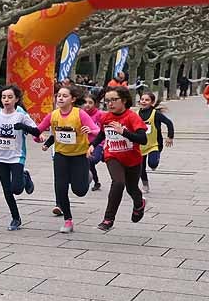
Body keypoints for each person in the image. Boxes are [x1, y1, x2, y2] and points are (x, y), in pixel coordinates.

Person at [32, 85, 100, 233]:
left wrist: (91, 130)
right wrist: (37, 137)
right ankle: (68, 220)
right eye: (59, 96)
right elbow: (38, 130)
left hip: (79, 156)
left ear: (73, 99)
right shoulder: (53, 115)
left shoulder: (80, 114)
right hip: (61, 156)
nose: (60, 98)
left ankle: (87, 177)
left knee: (80, 191)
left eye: (65, 96)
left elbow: (97, 130)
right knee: (60, 187)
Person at [0, 85, 37, 231]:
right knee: (7, 190)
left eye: (10, 97)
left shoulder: (21, 115)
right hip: (0, 157)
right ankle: (15, 218)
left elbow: (36, 130)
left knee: (17, 189)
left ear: (16, 99)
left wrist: (22, 126)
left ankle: (24, 176)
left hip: (17, 156)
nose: (6, 100)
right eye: (4, 97)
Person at [88, 86, 148, 231]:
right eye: (107, 101)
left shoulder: (132, 117)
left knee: (132, 188)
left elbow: (143, 139)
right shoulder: (106, 117)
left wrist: (124, 132)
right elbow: (103, 134)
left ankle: (139, 204)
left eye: (114, 100)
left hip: (133, 159)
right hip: (112, 156)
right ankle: (108, 218)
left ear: (124, 100)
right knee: (118, 183)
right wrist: (92, 145)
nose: (110, 104)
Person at [137, 92, 175, 194]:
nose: (144, 101)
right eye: (142, 99)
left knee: (152, 163)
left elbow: (169, 123)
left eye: (147, 100)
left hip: (154, 144)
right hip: (140, 145)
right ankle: (145, 185)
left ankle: (154, 162)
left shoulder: (156, 114)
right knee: (141, 167)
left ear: (152, 103)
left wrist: (170, 136)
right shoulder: (136, 114)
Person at [83, 92, 105, 192]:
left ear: (95, 104)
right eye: (85, 102)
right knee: (89, 162)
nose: (87, 105)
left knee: (93, 160)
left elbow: (102, 131)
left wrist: (91, 131)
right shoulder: (81, 114)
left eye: (90, 102)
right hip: (84, 144)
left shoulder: (100, 114)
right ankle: (96, 182)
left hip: (98, 143)